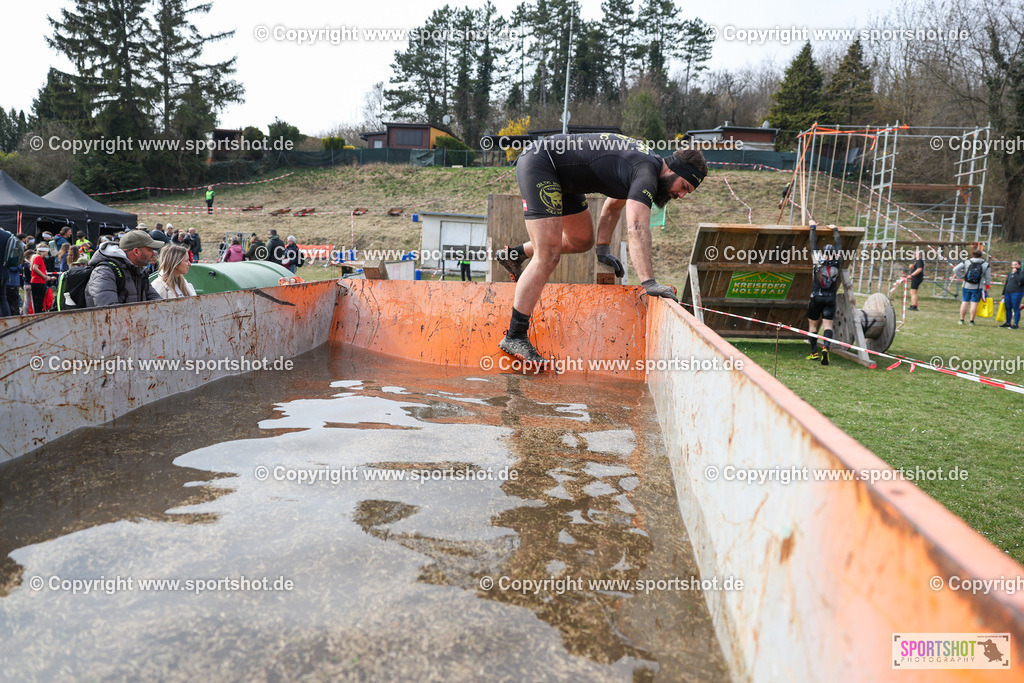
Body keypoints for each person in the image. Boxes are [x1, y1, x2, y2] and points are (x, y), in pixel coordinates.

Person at [494, 134, 706, 364]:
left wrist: (603, 248)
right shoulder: (646, 174)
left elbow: (613, 206)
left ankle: (514, 254)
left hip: (564, 176)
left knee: (581, 240)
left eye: (688, 192)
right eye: (684, 186)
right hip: (541, 162)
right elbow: (636, 227)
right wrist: (649, 282)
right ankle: (515, 335)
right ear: (673, 169)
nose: (682, 195)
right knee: (548, 255)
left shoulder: (645, 168)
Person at [85, 230, 164, 307]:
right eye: (149, 250)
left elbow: (158, 304)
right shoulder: (104, 272)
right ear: (136, 252)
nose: (153, 253)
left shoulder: (139, 271)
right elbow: (109, 313)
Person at [806, 221, 843, 366]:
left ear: (823, 253)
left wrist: (813, 227)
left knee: (813, 326)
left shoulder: (817, 259)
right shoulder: (837, 261)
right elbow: (839, 245)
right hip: (830, 298)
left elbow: (812, 242)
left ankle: (814, 352)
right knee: (828, 326)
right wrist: (835, 230)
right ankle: (826, 348)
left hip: (816, 297)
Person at [951, 249, 991, 325]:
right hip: (977, 287)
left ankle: (961, 320)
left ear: (972, 255)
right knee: (974, 303)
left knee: (965, 302)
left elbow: (955, 269)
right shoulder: (986, 264)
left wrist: (962, 276)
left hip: (966, 285)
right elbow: (988, 278)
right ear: (981, 255)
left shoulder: (967, 262)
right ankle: (971, 321)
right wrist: (987, 287)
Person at [28, 248, 56, 313]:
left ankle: (37, 313)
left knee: (37, 300)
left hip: (36, 281)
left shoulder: (36, 257)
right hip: (39, 281)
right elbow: (35, 268)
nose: (47, 254)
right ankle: (39, 314)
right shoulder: (39, 257)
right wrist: (45, 277)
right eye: (46, 252)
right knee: (39, 301)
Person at [999, 260, 1024, 329]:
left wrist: (1015, 274)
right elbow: (1006, 283)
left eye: (1016, 264)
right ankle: (1008, 323)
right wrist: (1003, 293)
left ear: (1019, 265)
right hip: (1008, 293)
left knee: (1016, 308)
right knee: (1008, 308)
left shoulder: (1021, 273)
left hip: (1017, 292)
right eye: (1013, 265)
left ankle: (1016, 324)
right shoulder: (1010, 273)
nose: (1014, 266)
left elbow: (1020, 281)